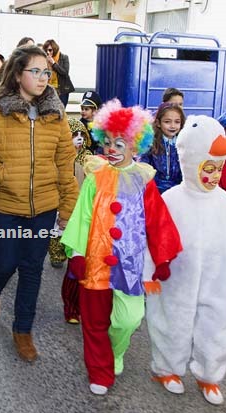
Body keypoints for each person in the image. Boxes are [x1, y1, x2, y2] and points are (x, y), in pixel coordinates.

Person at [0, 45, 79, 362]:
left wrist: (67, 210)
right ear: (18, 75)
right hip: (4, 207)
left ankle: (23, 331)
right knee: (3, 264)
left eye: (47, 72)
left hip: (43, 208)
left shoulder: (56, 114)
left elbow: (65, 166)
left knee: (32, 269)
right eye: (36, 71)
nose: (43, 78)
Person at [61, 101, 181, 396]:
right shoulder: (95, 177)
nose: (111, 149)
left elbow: (158, 221)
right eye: (107, 142)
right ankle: (100, 370)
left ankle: (114, 353)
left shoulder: (144, 181)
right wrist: (77, 253)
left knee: (128, 319)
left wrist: (163, 258)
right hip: (95, 264)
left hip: (129, 266)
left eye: (119, 143)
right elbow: (83, 216)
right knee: (94, 321)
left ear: (135, 145)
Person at [144, 115, 226, 405]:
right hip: (178, 281)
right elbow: (154, 241)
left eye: (218, 169)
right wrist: (149, 273)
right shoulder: (171, 200)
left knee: (217, 327)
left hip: (219, 284)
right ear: (191, 165)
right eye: (207, 168)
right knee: (172, 322)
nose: (214, 176)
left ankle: (210, 374)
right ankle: (167, 369)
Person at [48, 116, 92, 269]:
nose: (79, 139)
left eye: (82, 135)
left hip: (82, 200)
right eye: (75, 135)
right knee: (59, 227)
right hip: (62, 198)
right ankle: (57, 254)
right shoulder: (59, 156)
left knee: (78, 229)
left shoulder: (88, 157)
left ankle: (75, 253)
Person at [139, 103, 186, 193]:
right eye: (167, 122)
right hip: (154, 191)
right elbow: (143, 167)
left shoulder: (184, 144)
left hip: (178, 191)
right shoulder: (151, 143)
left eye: (177, 122)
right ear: (158, 123)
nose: (172, 126)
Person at [42, 39, 74, 107]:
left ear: (54, 49)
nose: (48, 52)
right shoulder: (44, 58)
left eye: (50, 50)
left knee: (61, 110)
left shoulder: (64, 57)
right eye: (46, 50)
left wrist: (53, 63)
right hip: (48, 88)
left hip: (61, 89)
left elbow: (65, 72)